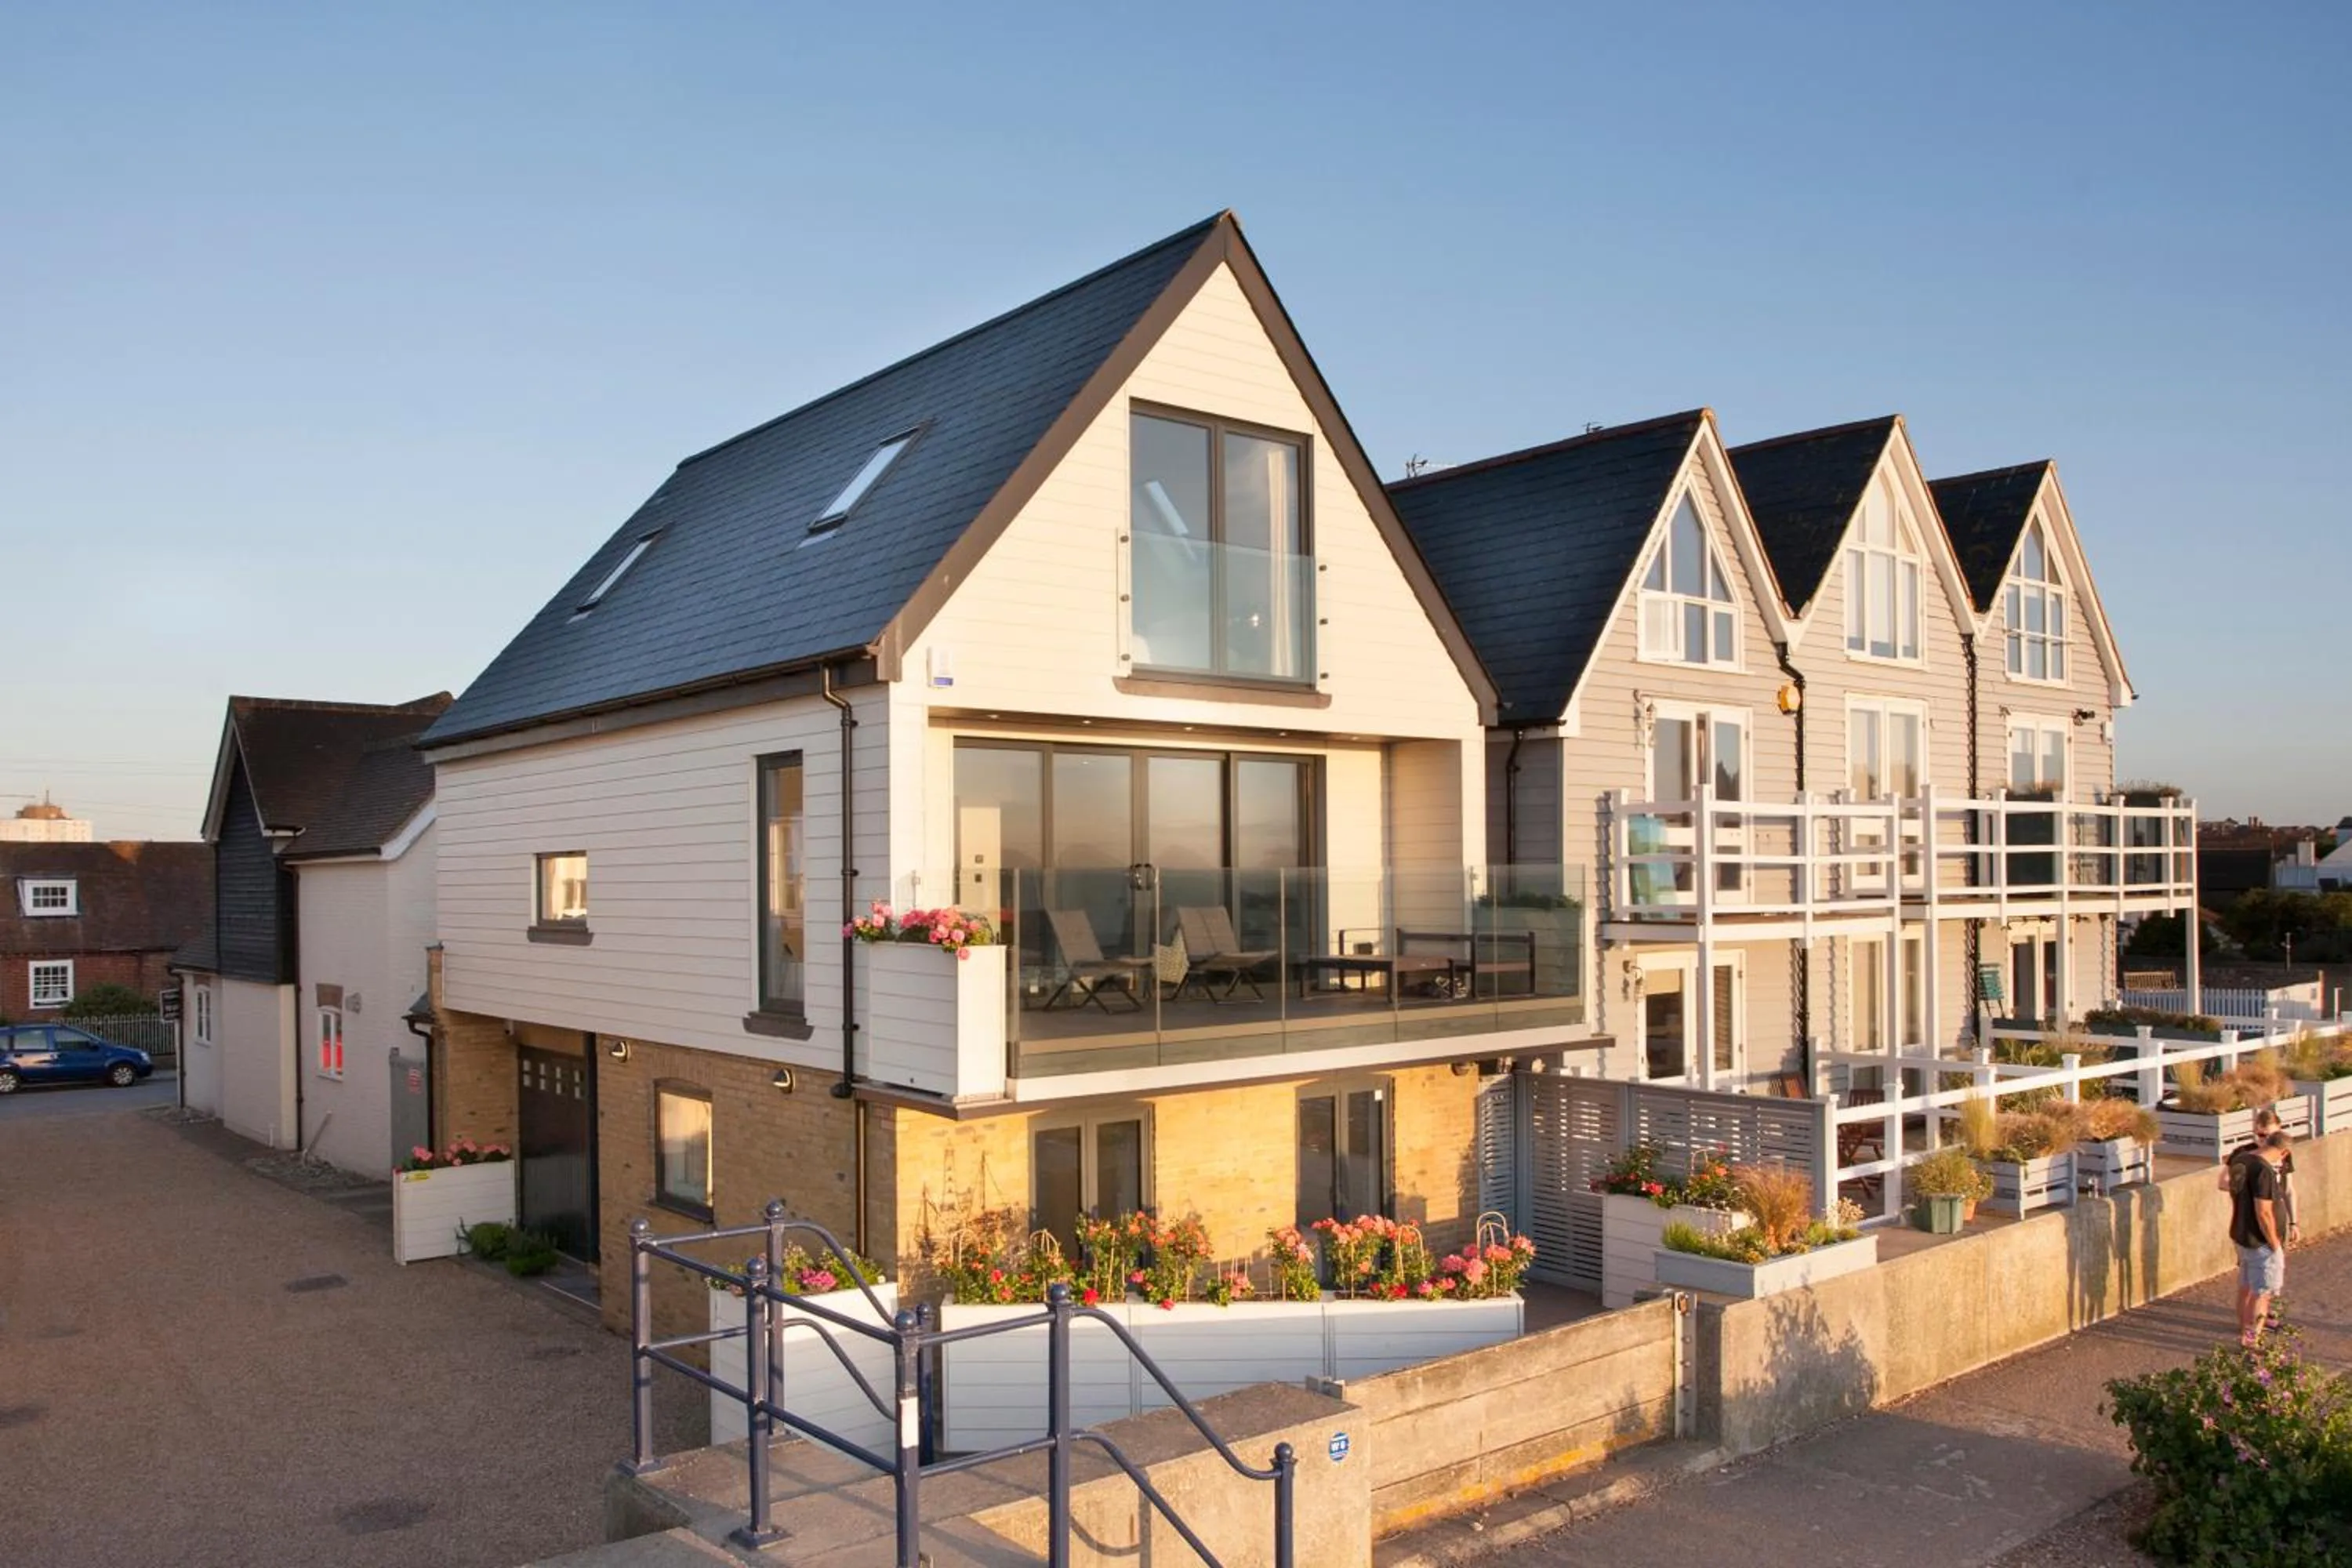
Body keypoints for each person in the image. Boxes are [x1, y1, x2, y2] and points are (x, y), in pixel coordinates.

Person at [2226, 1130, 2292, 1342]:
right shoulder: (2264, 1171)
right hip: (2260, 1241)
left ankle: (2245, 1333)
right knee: (2262, 1293)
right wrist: (2274, 1243)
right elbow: (2263, 1212)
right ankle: (2252, 1341)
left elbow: (2230, 1188)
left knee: (2246, 1288)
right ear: (2284, 1152)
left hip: (2242, 1233)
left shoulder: (2242, 1159)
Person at [2220, 1105, 2300, 1244]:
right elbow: (2223, 1182)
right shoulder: (2243, 1154)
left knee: (2276, 1263)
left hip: (2277, 1218)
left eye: (2273, 1137)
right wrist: (2251, 1189)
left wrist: (2293, 1223)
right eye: (2262, 1136)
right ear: (2256, 1131)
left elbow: (2288, 1190)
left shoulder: (2283, 1153)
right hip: (2250, 1223)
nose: (2267, 1141)